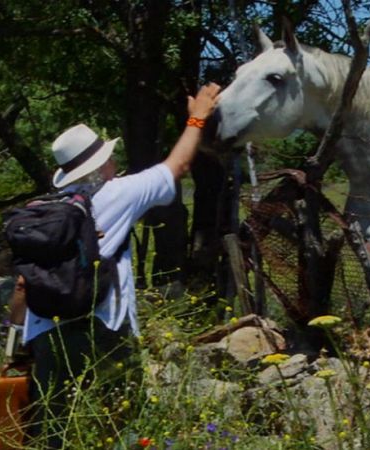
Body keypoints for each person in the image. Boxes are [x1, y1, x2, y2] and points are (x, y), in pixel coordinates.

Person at [22, 82, 221, 448]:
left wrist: (20, 342)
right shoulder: (118, 193)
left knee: (52, 430)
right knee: (125, 424)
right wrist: (197, 118)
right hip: (103, 326)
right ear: (103, 165)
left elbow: (25, 282)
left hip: (44, 332)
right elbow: (178, 165)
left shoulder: (46, 211)